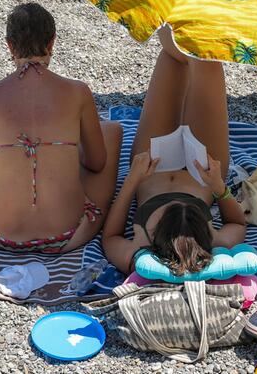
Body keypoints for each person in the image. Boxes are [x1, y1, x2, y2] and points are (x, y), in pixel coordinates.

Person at [0, 3, 122, 253]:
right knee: (111, 131)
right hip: (73, 232)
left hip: (3, 235)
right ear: (51, 43)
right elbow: (97, 163)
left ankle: (5, 155)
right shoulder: (78, 92)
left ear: (10, 46)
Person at [102, 27, 246, 275]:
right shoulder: (216, 240)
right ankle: (193, 15)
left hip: (151, 167)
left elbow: (110, 236)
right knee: (207, 62)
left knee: (172, 59)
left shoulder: (140, 249)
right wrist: (218, 187)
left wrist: (132, 179)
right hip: (203, 169)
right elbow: (236, 223)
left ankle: (174, 16)